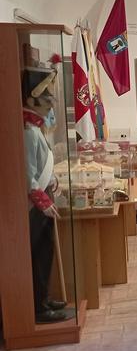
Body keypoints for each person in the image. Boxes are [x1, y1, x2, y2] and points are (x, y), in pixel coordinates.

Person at [21, 68, 70, 323]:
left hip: (43, 200)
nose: (51, 102)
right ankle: (39, 307)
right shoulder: (28, 132)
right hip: (35, 206)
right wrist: (42, 201)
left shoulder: (35, 128)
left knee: (45, 251)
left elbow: (41, 164)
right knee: (37, 255)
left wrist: (52, 179)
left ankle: (44, 297)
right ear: (31, 101)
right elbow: (26, 173)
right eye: (47, 97)